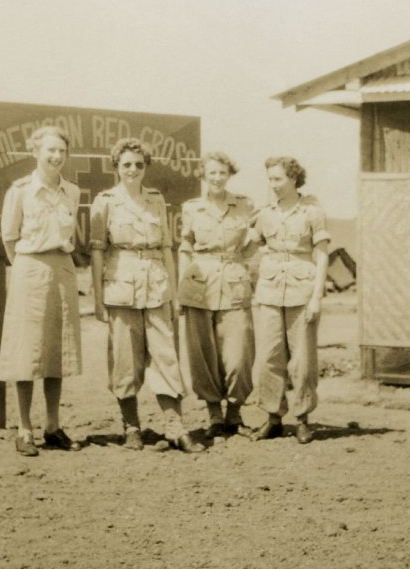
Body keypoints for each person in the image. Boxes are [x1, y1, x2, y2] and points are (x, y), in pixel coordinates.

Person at [90, 138, 204, 453]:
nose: (133, 170)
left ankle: (175, 427)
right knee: (125, 359)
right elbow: (98, 253)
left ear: (146, 167)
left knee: (165, 354)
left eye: (139, 165)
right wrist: (98, 298)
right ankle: (131, 427)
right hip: (121, 286)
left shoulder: (155, 200)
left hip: (156, 286)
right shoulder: (106, 201)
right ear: (116, 167)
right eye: (126, 164)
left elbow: (166, 247)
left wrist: (175, 293)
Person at [0, 126, 83, 457]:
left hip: (62, 269)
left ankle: (53, 425)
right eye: (50, 150)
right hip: (29, 269)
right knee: (27, 352)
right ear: (35, 152)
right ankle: (24, 429)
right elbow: (9, 239)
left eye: (62, 150)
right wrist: (28, 268)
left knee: (56, 351)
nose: (57, 156)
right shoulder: (20, 191)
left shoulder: (72, 192)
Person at [251, 156, 330, 445]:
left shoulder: (312, 212)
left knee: (302, 360)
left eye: (278, 179)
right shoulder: (264, 214)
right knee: (269, 358)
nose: (273, 185)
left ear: (294, 179)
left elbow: (321, 255)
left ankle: (302, 419)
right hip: (271, 291)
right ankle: (273, 417)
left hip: (302, 291)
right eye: (269, 179)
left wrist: (317, 297)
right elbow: (252, 246)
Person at [177, 152, 256, 439]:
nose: (217, 178)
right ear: (203, 176)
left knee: (239, 354)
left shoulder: (244, 206)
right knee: (202, 353)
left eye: (222, 173)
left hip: (234, 281)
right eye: (212, 173)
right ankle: (214, 416)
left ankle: (235, 414)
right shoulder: (192, 209)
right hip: (200, 284)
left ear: (229, 174)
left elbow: (251, 246)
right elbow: (185, 247)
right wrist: (181, 289)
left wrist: (246, 258)